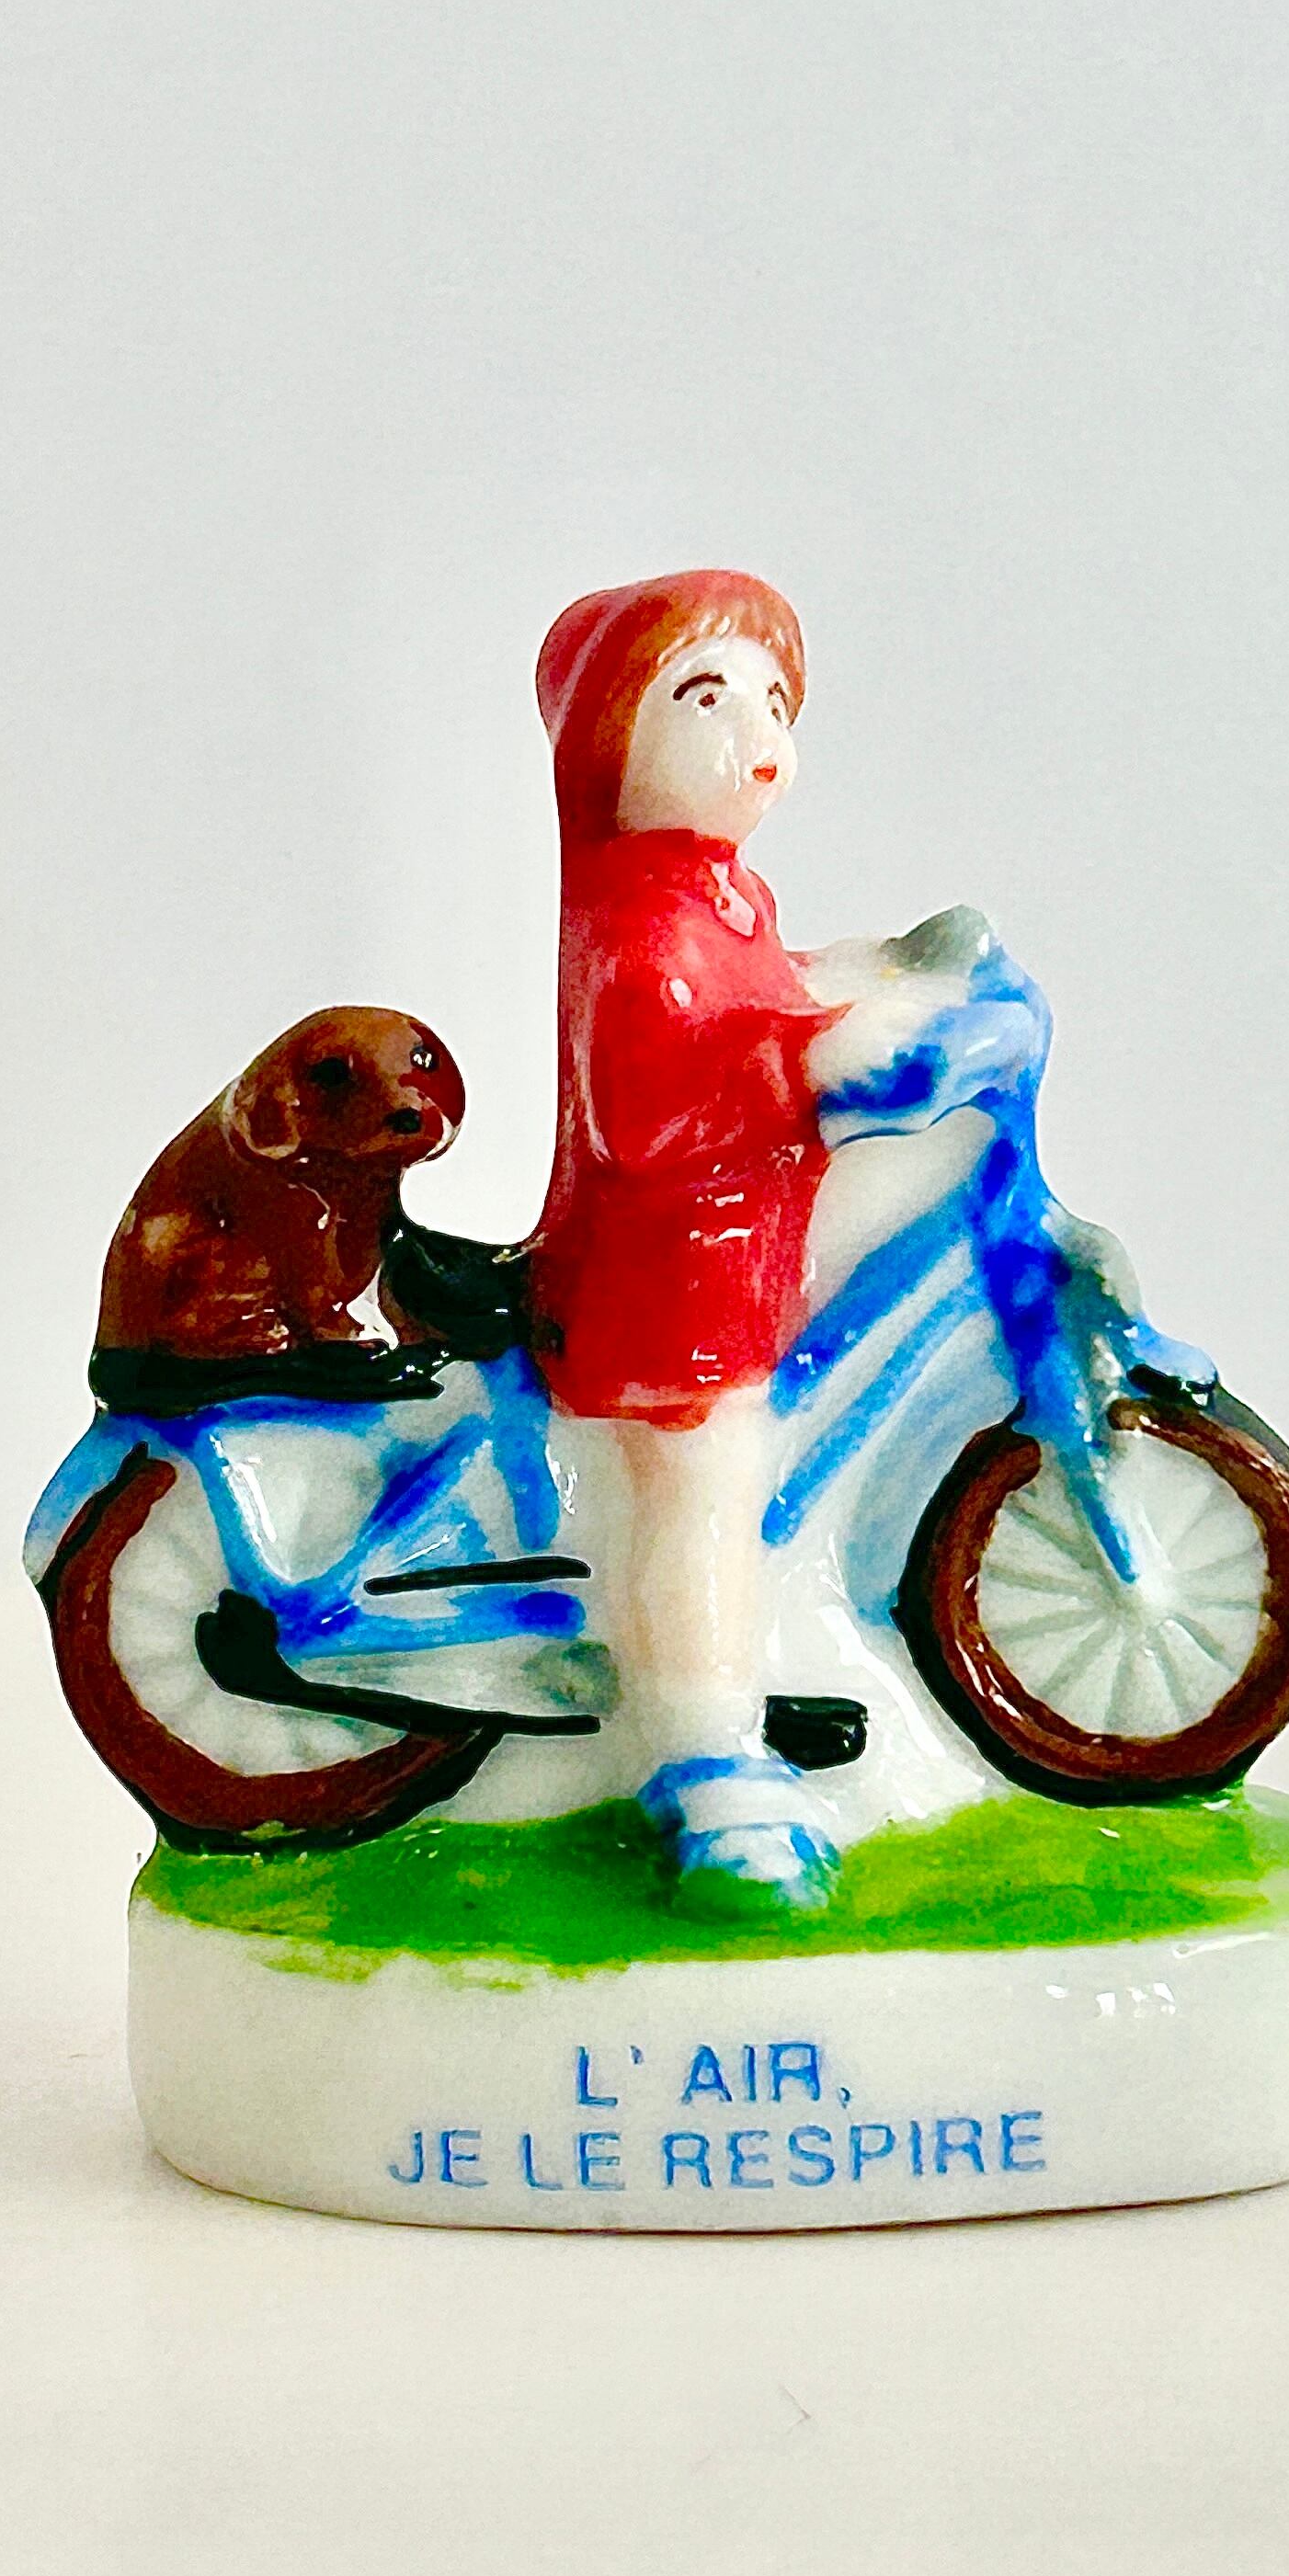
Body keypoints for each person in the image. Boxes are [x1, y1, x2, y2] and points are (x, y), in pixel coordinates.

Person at [529, 569, 847, 1902]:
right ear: (614, 739)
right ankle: (705, 1756)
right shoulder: (640, 918)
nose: (756, 737)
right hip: (670, 1291)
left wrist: (876, 982)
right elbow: (646, 1113)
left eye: (774, 701)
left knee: (732, 1493)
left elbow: (771, 996)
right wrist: (823, 1063)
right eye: (705, 700)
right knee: (697, 1504)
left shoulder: (728, 896)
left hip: (737, 1264)